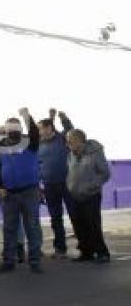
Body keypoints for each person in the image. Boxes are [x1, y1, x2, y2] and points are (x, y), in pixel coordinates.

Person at [0, 108, 44, 274]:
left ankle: (35, 262)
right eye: (9, 128)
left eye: (15, 128)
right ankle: (8, 262)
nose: (12, 131)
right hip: (9, 194)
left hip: (30, 192)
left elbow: (34, 131)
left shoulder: (30, 141)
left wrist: (26, 116)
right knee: (9, 228)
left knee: (32, 227)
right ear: (5, 130)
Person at [66, 129, 111, 263]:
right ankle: (86, 252)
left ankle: (102, 253)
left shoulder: (94, 153)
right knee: (79, 225)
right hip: (74, 195)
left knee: (93, 225)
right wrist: (70, 186)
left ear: (79, 141)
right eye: (68, 142)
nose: (68, 144)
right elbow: (70, 173)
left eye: (70, 141)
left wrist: (90, 187)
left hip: (91, 195)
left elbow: (105, 173)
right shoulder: (70, 155)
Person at [38, 109, 75, 259]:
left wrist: (64, 118)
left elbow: (70, 130)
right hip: (49, 185)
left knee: (75, 214)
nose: (38, 131)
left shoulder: (62, 139)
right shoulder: (38, 144)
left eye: (40, 128)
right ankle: (60, 249)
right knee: (55, 218)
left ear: (48, 128)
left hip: (67, 183)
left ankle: (86, 246)